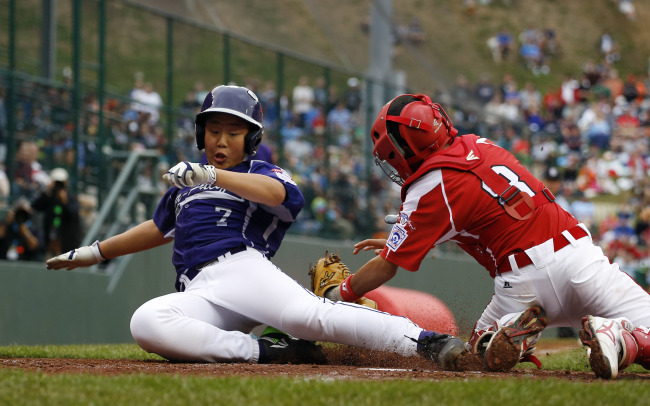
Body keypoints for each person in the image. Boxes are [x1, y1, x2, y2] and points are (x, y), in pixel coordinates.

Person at [45, 85, 466, 368]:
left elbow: (280, 195)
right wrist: (93, 252)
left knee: (312, 318)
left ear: (251, 139)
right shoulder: (187, 183)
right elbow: (157, 228)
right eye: (213, 131)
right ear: (200, 134)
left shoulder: (258, 172)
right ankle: (269, 351)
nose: (221, 141)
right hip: (200, 289)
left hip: (242, 271)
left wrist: (210, 176)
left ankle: (425, 342)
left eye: (233, 132)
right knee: (147, 322)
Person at [321, 93, 650, 379]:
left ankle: (510, 337)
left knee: (475, 358)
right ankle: (621, 339)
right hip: (578, 257)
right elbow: (485, 210)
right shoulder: (479, 144)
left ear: (402, 148)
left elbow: (386, 268)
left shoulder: (428, 186)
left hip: (523, 284)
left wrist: (339, 295)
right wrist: (405, 241)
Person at [32, 167, 82, 258]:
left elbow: (73, 214)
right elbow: (36, 206)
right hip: (49, 240)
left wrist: (65, 202)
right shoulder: (48, 197)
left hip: (66, 241)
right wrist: (47, 191)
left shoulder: (71, 198)